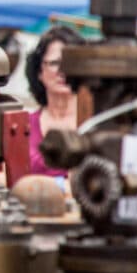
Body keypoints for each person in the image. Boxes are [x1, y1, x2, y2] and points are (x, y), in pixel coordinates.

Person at [24, 25, 85, 179]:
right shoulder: (23, 126)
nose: (62, 71)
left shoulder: (94, 125)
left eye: (69, 63)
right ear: (39, 71)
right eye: (54, 63)